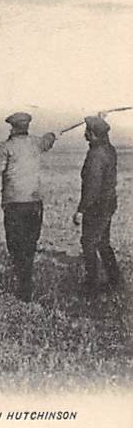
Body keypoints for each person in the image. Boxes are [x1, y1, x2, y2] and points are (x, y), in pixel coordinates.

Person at [0, 112, 56, 302]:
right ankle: (25, 285)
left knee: (15, 245)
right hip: (35, 203)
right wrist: (54, 134)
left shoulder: (6, 148)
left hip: (14, 205)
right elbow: (48, 140)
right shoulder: (37, 143)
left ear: (12, 128)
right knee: (29, 245)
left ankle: (23, 288)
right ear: (27, 127)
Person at [72, 115, 119, 294]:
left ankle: (92, 285)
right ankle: (114, 280)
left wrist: (81, 210)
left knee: (88, 243)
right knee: (103, 242)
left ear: (92, 133)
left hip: (96, 207)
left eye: (87, 131)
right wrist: (100, 120)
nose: (85, 134)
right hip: (108, 204)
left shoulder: (95, 156)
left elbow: (92, 187)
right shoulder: (109, 149)